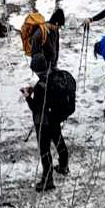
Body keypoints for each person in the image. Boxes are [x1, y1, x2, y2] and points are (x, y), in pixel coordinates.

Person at [24, 60, 71, 190]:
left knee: (44, 150)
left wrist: (28, 97)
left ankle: (48, 179)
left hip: (43, 122)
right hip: (55, 117)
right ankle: (63, 165)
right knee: (58, 139)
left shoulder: (40, 85)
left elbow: (36, 107)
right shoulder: (55, 77)